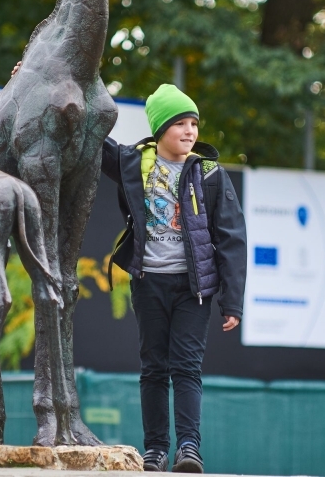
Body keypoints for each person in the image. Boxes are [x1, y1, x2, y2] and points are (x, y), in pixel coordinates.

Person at [101, 84, 247, 473]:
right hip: (148, 282)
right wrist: (38, 81)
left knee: (186, 366)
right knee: (153, 367)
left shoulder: (210, 173)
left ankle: (188, 449)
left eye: (194, 123)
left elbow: (232, 237)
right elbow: (91, 133)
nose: (190, 131)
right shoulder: (132, 162)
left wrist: (232, 301)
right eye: (180, 122)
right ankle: (155, 450)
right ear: (160, 128)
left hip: (193, 288)